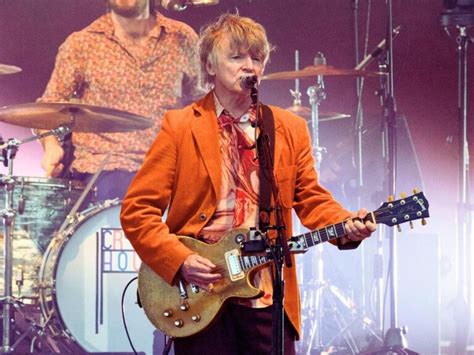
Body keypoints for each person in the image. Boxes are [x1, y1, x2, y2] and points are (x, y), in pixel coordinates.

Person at [120, 13, 376, 354]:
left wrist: (345, 225)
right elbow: (137, 210)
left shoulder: (288, 128)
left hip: (267, 291)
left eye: (257, 58)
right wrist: (179, 259)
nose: (249, 66)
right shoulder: (180, 126)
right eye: (237, 56)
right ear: (210, 65)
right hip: (202, 292)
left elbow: (312, 199)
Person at [38, 0, 203, 204]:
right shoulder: (82, 43)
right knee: (121, 187)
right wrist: (52, 146)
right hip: (105, 169)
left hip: (169, 167)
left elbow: (202, 106)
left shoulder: (182, 38)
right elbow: (47, 109)